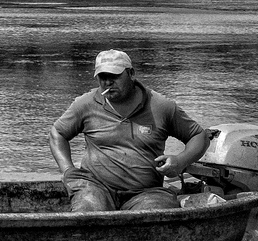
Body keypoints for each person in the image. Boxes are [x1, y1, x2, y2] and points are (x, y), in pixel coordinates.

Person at [48, 49, 211, 212]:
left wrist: (180, 161)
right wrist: (68, 170)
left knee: (153, 214)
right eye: (102, 77)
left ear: (131, 74)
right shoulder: (85, 104)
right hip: (95, 188)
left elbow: (199, 136)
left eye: (114, 76)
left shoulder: (161, 106)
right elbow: (58, 133)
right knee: (87, 210)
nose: (107, 82)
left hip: (147, 193)